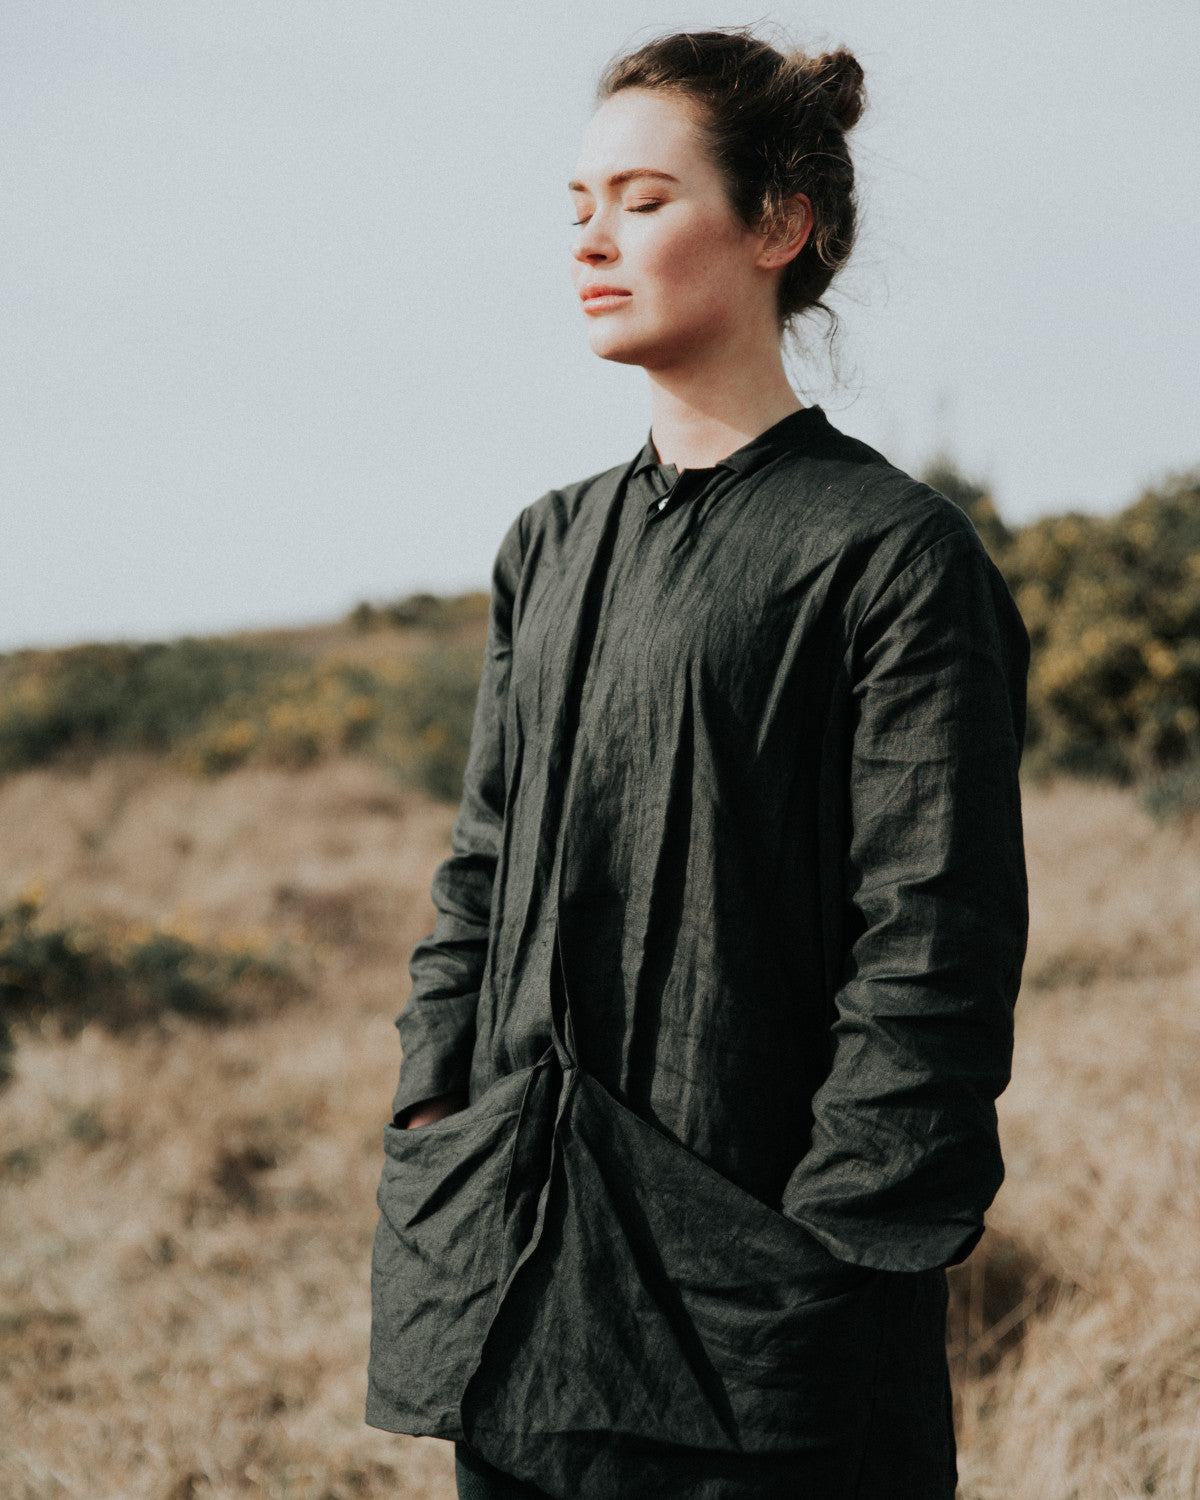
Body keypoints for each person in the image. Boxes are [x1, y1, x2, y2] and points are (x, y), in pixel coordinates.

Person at [366, 27, 1029, 1500]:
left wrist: (836, 1248)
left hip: (762, 1317)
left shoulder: (894, 557)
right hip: (517, 1268)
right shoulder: (547, 545)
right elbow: (478, 868)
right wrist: (434, 1103)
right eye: (578, 204)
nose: (592, 237)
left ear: (778, 224)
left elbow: (935, 945)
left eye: (645, 198)